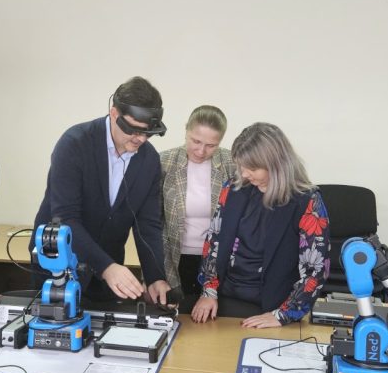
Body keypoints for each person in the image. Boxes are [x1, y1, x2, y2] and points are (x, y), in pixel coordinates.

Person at [33, 76, 172, 305]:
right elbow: (65, 217)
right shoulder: (74, 144)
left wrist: (155, 276)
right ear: (114, 113)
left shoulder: (149, 160)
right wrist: (105, 266)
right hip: (59, 268)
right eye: (133, 130)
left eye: (148, 132)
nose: (141, 139)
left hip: (108, 276)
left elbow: (147, 224)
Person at [191, 122, 329, 328]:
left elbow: (315, 270)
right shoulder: (233, 188)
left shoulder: (307, 201)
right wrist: (208, 291)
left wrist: (283, 314)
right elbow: (213, 242)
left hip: (273, 307)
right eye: (241, 166)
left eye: (253, 168)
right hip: (224, 299)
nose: (245, 173)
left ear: (276, 164)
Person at [160, 105, 236, 303]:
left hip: (218, 260)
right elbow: (153, 221)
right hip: (173, 259)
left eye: (211, 145)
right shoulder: (165, 162)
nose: (201, 151)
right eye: (196, 141)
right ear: (186, 131)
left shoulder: (231, 163)